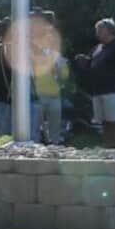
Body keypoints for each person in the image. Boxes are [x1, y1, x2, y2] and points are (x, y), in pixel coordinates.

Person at [75, 18, 115, 148]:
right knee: (105, 123)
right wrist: (84, 61)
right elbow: (91, 63)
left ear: (109, 31)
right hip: (98, 90)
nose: (96, 32)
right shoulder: (97, 48)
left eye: (99, 29)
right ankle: (109, 149)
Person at [31, 11, 68, 144]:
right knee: (35, 126)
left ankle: (55, 146)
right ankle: (35, 146)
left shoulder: (56, 55)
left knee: (55, 125)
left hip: (54, 95)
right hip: (38, 95)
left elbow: (64, 77)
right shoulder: (33, 53)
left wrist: (62, 68)